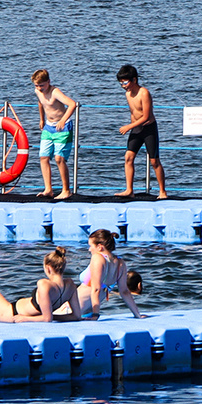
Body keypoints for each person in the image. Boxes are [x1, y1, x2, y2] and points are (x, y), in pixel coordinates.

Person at [0, 248, 81, 323]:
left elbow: (47, 318)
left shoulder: (44, 284)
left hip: (10, 312)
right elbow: (76, 316)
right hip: (13, 312)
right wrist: (52, 317)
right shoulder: (70, 285)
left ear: (48, 268)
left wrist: (26, 318)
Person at [115, 65, 167, 199]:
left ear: (134, 80)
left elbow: (146, 116)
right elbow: (133, 112)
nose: (123, 86)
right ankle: (129, 190)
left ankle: (162, 192)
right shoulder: (127, 94)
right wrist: (132, 127)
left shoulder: (144, 93)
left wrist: (128, 126)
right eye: (121, 83)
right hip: (136, 129)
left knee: (154, 161)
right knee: (128, 157)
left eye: (125, 82)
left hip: (149, 129)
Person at [31, 69, 79, 200]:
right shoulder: (37, 92)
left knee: (59, 158)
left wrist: (63, 120)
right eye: (37, 85)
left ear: (48, 82)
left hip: (62, 127)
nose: (39, 88)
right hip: (48, 127)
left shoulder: (55, 92)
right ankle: (48, 189)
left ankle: (66, 190)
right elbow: (41, 103)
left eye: (42, 85)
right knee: (43, 157)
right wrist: (41, 119)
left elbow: (72, 104)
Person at [77, 228, 142, 318]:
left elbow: (96, 289)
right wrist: (137, 315)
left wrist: (95, 315)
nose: (89, 250)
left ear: (99, 247)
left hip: (72, 310)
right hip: (88, 313)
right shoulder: (120, 263)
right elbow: (124, 292)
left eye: (90, 246)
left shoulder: (98, 258)